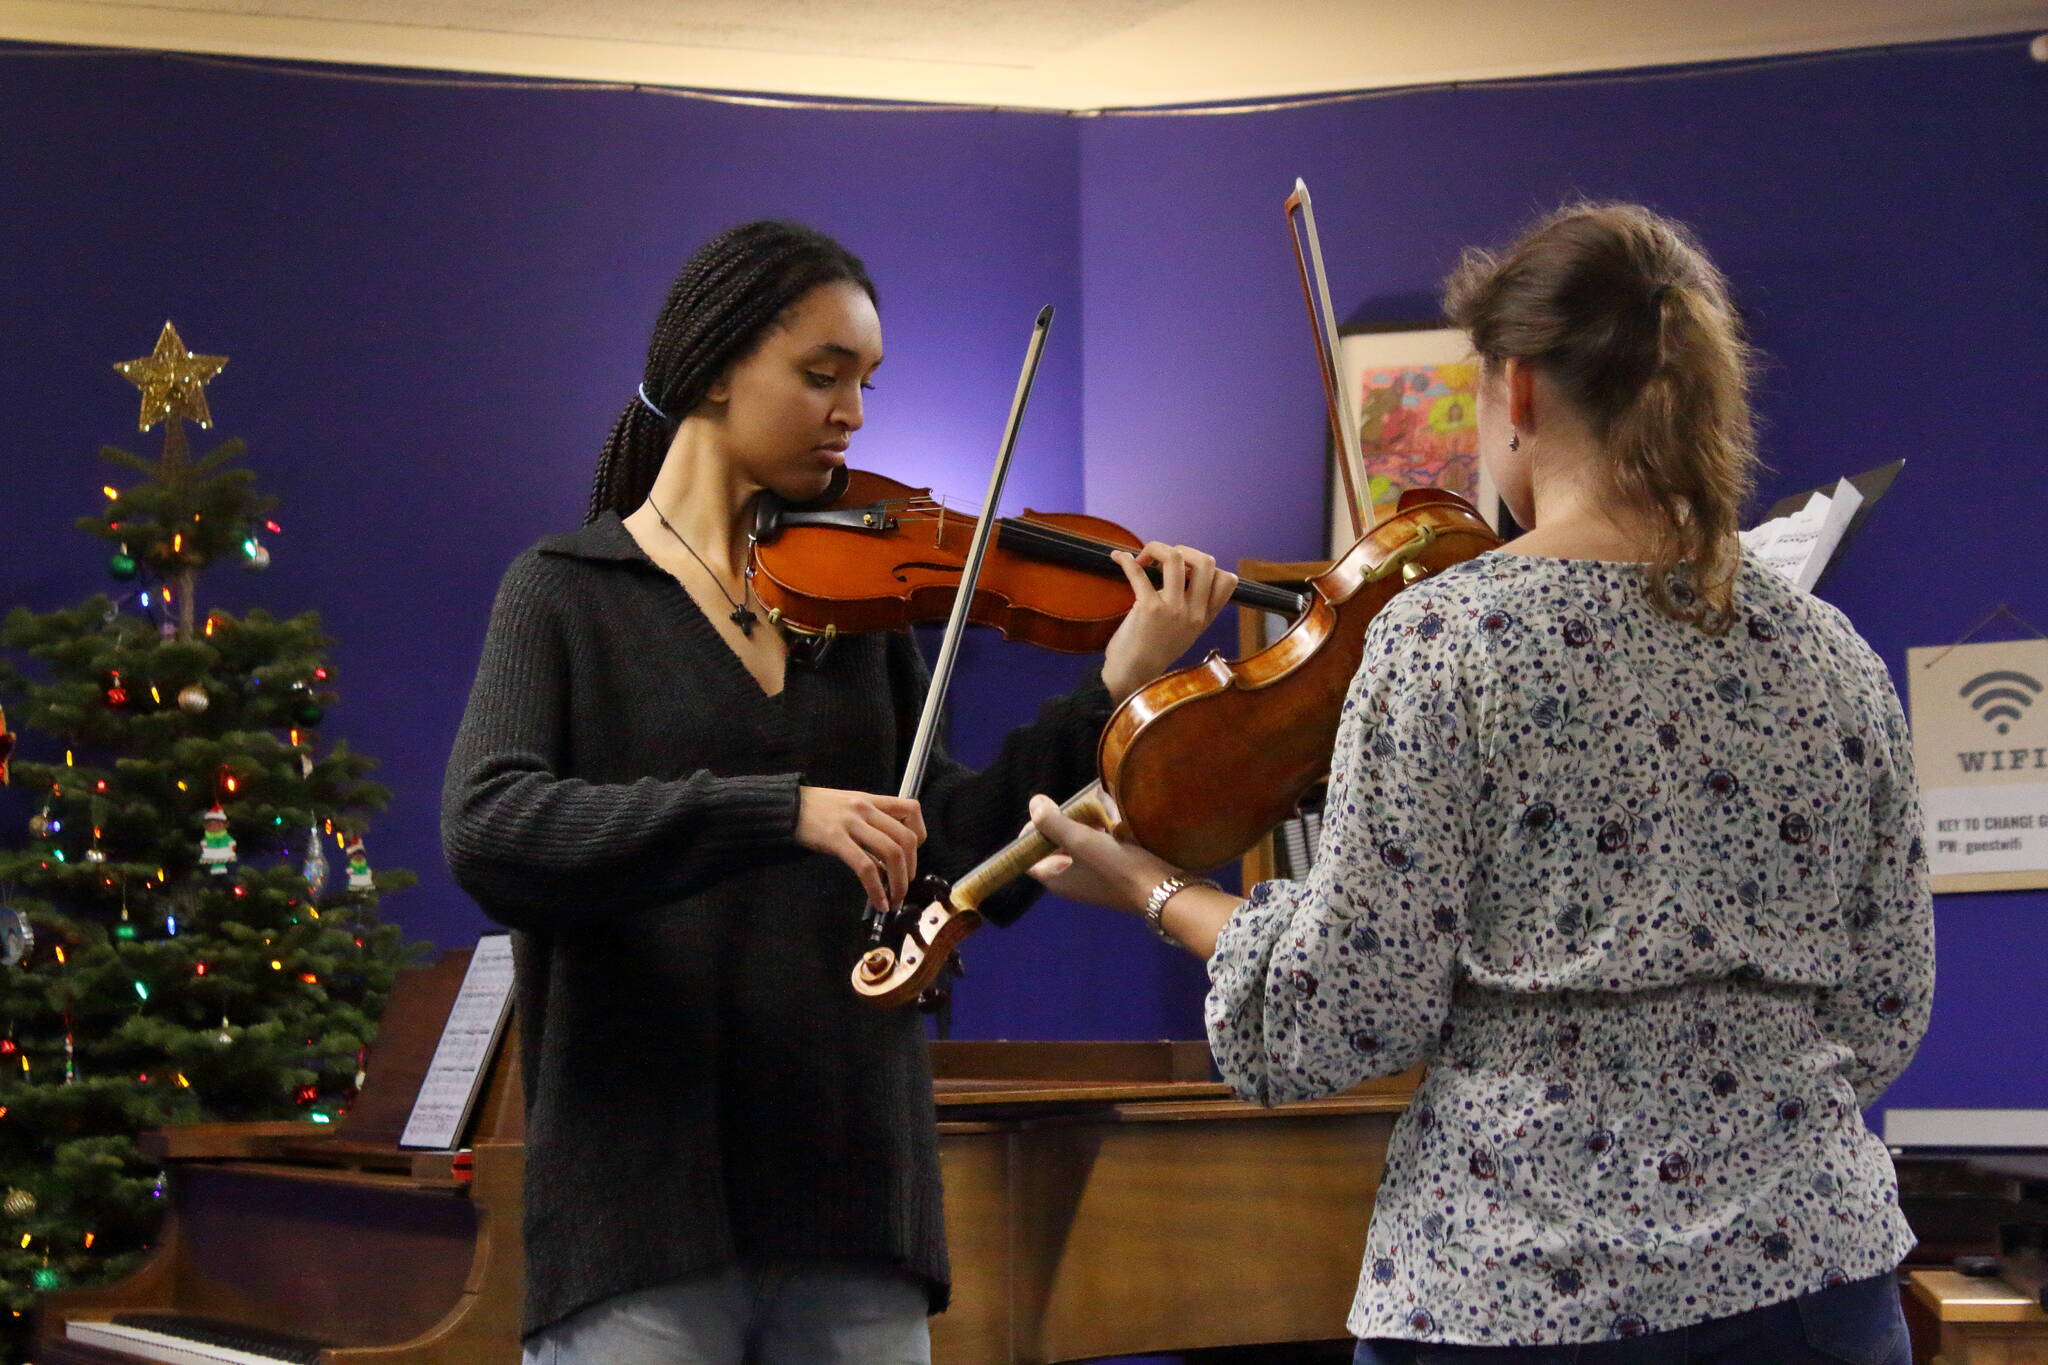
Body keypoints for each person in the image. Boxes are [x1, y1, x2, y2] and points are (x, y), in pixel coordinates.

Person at [1028, 202, 1933, 1364]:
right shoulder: (1828, 658)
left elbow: (1347, 1009)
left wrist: (1156, 891)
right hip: (1809, 1281)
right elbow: (1884, 1010)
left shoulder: (1445, 640)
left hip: (1513, 1287)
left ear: (1514, 393)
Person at [441, 220, 1234, 1365]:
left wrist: (1113, 685)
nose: (852, 413)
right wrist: (780, 808)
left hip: (853, 1191)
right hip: (641, 1204)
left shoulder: (856, 622)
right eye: (821, 376)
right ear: (713, 366)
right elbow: (491, 829)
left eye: (863, 382)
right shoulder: (566, 593)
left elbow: (950, 849)